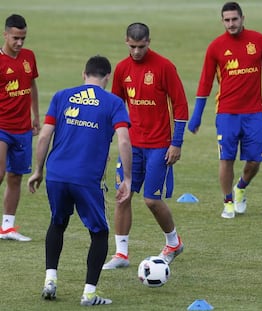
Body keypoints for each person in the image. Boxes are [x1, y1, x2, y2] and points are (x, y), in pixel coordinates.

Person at [27, 55, 132, 306]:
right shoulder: (114, 103)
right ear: (107, 77)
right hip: (86, 178)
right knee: (99, 232)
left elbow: (43, 137)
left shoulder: (62, 96)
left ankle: (50, 280)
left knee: (58, 222)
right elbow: (124, 140)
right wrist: (127, 177)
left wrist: (38, 170)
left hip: (57, 174)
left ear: (83, 75)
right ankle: (89, 294)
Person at [188, 2, 262, 219]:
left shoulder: (259, 41)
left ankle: (240, 188)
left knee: (254, 161)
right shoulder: (215, 47)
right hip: (226, 113)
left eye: (235, 19)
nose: (231, 24)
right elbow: (205, 83)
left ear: (243, 18)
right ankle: (227, 202)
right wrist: (196, 115)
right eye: (227, 20)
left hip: (254, 113)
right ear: (222, 21)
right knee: (226, 159)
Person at [102, 22, 188, 270]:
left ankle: (173, 242)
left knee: (151, 200)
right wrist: (106, 143)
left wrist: (177, 143)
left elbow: (181, 106)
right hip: (132, 145)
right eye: (132, 46)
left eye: (141, 47)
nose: (137, 52)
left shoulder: (164, 67)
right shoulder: (121, 69)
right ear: (126, 41)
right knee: (122, 196)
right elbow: (116, 108)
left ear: (149, 42)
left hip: (160, 146)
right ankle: (121, 254)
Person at [0, 14, 40, 241]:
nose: (20, 43)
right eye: (15, 38)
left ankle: (7, 227)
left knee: (15, 176)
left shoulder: (28, 57)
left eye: (23, 38)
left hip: (23, 127)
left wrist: (36, 115)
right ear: (5, 35)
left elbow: (32, 84)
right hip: (2, 126)